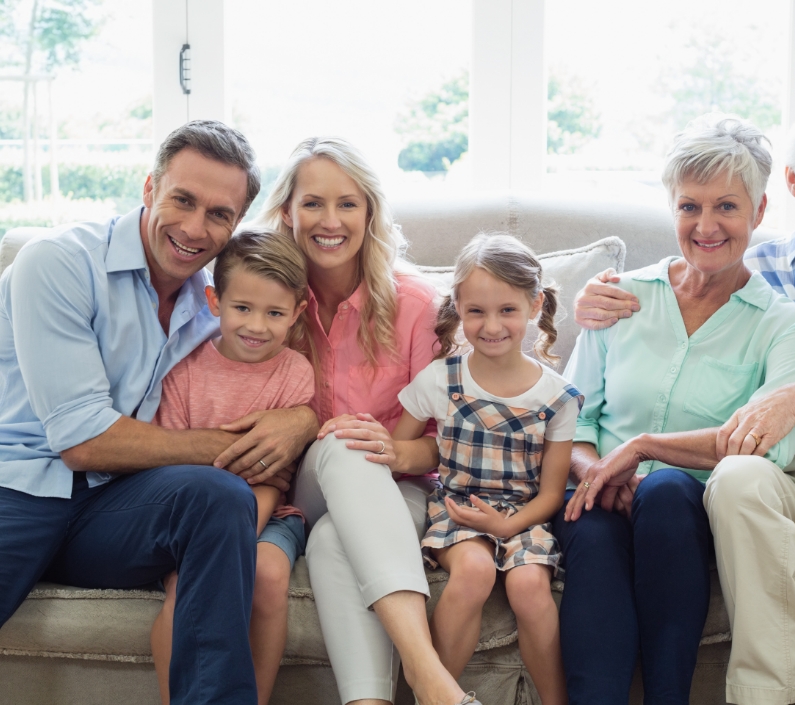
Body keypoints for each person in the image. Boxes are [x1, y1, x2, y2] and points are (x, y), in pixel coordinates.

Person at [0, 120, 319, 705]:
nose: (195, 228)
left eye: (219, 214)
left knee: (219, 498)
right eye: (183, 200)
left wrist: (301, 421)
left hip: (111, 508)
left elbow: (273, 376)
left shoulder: (214, 303)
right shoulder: (60, 263)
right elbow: (83, 443)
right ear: (149, 187)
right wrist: (249, 443)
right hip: (20, 486)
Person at [573, 99, 795, 704]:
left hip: (777, 473)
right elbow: (575, 410)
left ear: (756, 209)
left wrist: (644, 450)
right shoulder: (722, 270)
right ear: (790, 183)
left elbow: (768, 431)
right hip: (777, 475)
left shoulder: (774, 313)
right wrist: (577, 308)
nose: (708, 225)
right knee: (707, 489)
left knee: (677, 488)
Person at [254, 136, 478, 705]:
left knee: (333, 541)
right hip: (296, 490)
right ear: (288, 211)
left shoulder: (416, 305)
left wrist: (395, 452)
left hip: (396, 490)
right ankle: (430, 680)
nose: (330, 221)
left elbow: (446, 442)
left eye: (348, 203)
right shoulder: (263, 302)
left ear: (370, 212)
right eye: (313, 203)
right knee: (344, 443)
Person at [386, 233, 580, 705]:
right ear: (458, 308)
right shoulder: (441, 378)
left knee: (532, 586)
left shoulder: (557, 397)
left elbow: (553, 493)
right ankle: (435, 695)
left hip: (524, 515)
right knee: (473, 571)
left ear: (535, 306)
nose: (491, 326)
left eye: (507, 310)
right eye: (476, 311)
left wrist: (509, 524)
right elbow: (402, 449)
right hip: (458, 510)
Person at [149, 227, 314, 705]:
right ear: (214, 301)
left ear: (297, 314)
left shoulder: (293, 374)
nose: (257, 327)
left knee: (266, 575)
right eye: (243, 308)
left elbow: (273, 479)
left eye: (275, 313)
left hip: (268, 515)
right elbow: (172, 464)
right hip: (196, 520)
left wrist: (240, 533)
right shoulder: (184, 369)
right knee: (185, 588)